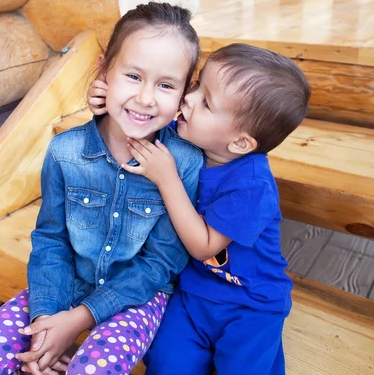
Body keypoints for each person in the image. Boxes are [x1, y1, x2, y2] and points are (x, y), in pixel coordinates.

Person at [0, 2, 204, 375]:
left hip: (137, 297)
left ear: (185, 92)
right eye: (133, 76)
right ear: (103, 70)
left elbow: (161, 263)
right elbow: (51, 239)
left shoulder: (183, 162)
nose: (147, 98)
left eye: (166, 85)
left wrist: (80, 319)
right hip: (67, 283)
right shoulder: (65, 151)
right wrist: (47, 322)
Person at [88, 43, 311, 374]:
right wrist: (105, 106)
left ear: (239, 143)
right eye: (196, 86)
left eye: (206, 102)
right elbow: (131, 128)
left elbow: (204, 245)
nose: (189, 99)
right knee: (166, 362)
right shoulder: (183, 140)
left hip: (250, 304)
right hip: (192, 294)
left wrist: (167, 179)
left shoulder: (252, 186)